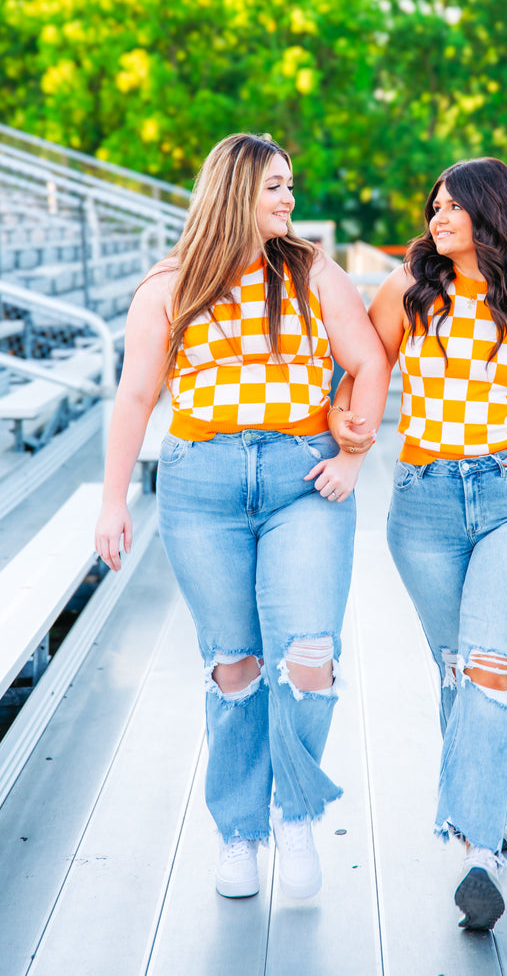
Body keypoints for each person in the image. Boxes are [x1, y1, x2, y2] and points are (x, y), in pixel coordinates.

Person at [94, 133, 390, 900]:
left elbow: (369, 363)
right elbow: (135, 398)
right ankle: (240, 833)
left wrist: (353, 458)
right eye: (274, 188)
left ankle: (295, 811)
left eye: (291, 185)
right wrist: (111, 501)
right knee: (235, 666)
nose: (289, 200)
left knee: (309, 656)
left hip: (304, 479)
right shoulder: (168, 284)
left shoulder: (312, 271)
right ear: (234, 192)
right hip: (201, 485)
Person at [331, 157, 507, 929]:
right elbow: (363, 370)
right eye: (432, 206)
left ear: (489, 211)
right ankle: (487, 799)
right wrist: (345, 419)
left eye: (453, 206)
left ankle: (477, 851)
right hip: (424, 508)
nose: (438, 218)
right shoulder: (407, 291)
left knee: (489, 670)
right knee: (460, 672)